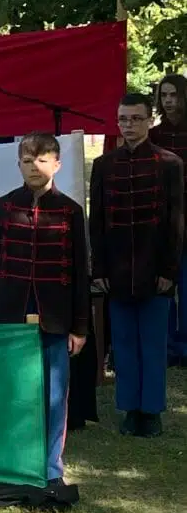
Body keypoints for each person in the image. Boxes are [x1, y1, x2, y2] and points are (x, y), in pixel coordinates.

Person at [0, 132, 88, 487]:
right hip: (10, 315)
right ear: (19, 165)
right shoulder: (3, 207)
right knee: (13, 391)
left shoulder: (71, 212)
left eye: (42, 160)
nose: (34, 167)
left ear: (57, 164)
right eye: (27, 161)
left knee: (54, 395)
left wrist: (80, 327)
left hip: (55, 317)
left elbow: (80, 273)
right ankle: (12, 464)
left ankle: (50, 469)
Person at [90, 92, 184, 438]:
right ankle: (130, 408)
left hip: (155, 268)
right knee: (124, 342)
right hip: (116, 269)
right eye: (123, 119)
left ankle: (152, 411)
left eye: (136, 118)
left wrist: (169, 271)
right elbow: (97, 221)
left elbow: (176, 222)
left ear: (149, 120)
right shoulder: (104, 165)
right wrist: (99, 269)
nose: (129, 125)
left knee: (154, 342)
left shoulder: (169, 163)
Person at [149, 73, 187, 365]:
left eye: (174, 95)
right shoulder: (155, 136)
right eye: (165, 95)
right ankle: (168, 344)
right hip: (162, 218)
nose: (169, 100)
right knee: (164, 282)